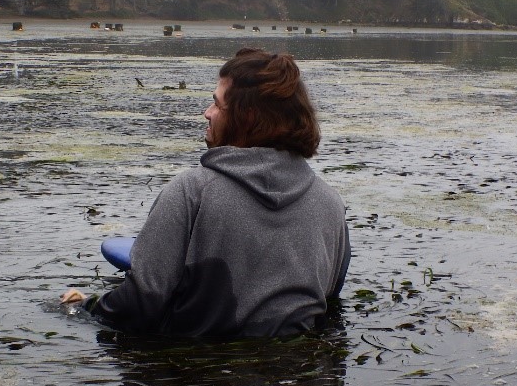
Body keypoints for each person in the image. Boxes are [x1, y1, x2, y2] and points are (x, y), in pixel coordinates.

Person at [62, 47, 350, 337]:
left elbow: (139, 305)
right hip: (301, 376)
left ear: (245, 118)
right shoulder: (331, 203)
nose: (207, 113)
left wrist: (84, 306)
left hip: (197, 376)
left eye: (216, 104)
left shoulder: (191, 192)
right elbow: (329, 301)